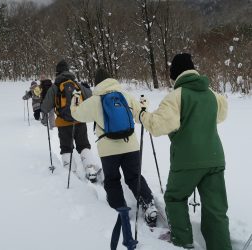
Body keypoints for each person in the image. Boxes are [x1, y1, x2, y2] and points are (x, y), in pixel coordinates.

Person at [137, 53, 232, 250]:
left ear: (175, 75)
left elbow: (157, 126)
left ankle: (182, 243)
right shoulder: (213, 95)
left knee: (174, 197)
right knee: (216, 209)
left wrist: (142, 114)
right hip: (215, 158)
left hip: (187, 160)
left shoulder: (176, 97)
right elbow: (221, 114)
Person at [70, 68, 158, 226]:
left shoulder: (94, 101)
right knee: (134, 176)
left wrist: (76, 97)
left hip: (108, 150)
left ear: (97, 83)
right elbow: (140, 115)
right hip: (130, 145)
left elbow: (76, 114)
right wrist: (144, 105)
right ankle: (149, 204)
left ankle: (120, 209)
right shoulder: (126, 96)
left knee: (112, 180)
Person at [41, 60, 100, 182]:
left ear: (57, 72)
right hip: (79, 120)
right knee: (83, 145)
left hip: (63, 124)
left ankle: (71, 173)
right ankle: (90, 169)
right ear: (68, 70)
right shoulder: (76, 84)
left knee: (66, 148)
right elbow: (91, 97)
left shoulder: (55, 87)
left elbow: (46, 107)